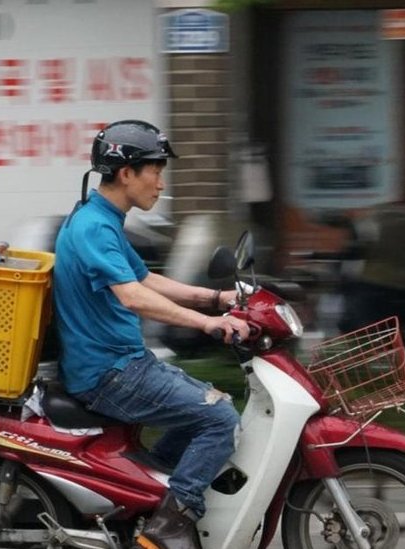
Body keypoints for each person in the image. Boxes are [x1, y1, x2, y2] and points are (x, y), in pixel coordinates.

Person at [53, 120, 250, 549]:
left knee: (213, 406)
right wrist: (208, 323)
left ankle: (144, 500)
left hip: (123, 363)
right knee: (218, 419)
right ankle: (168, 527)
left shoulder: (102, 220)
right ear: (126, 174)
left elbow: (147, 280)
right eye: (155, 171)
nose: (161, 184)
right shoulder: (94, 227)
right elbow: (133, 298)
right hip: (110, 372)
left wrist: (215, 299)